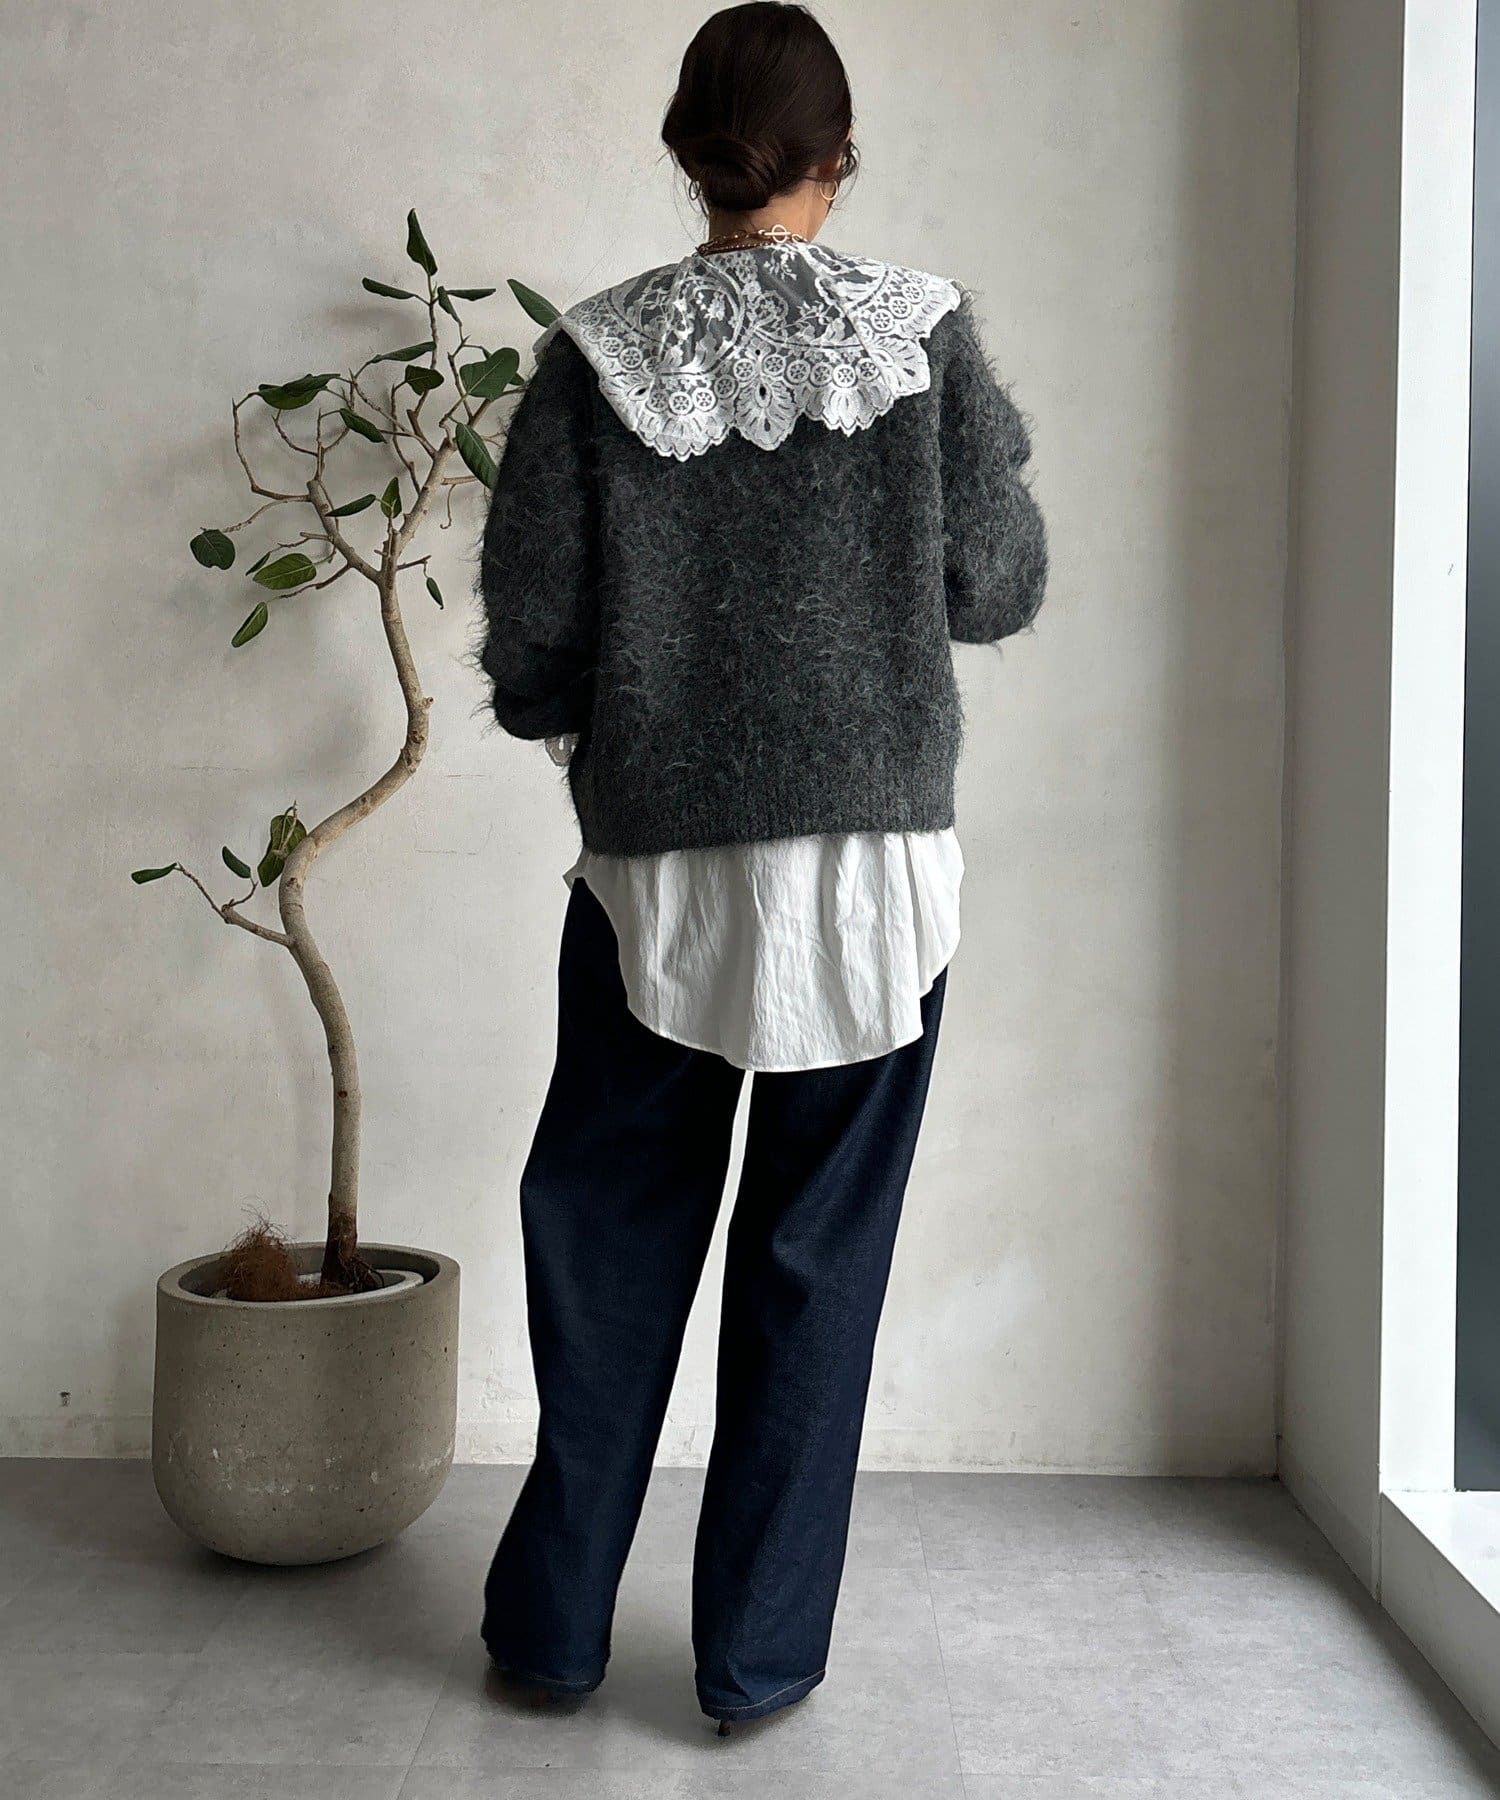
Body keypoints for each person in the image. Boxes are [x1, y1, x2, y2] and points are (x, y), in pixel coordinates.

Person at [476, 0, 1048, 1732]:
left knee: (606, 1243)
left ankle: (553, 1637)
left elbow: (532, 648)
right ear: (838, 154)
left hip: (657, 876)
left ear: (690, 153)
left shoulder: (592, 358)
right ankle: (755, 1662)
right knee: (817, 1264)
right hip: (876, 876)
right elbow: (998, 584)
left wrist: (625, 713)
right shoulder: (921, 337)